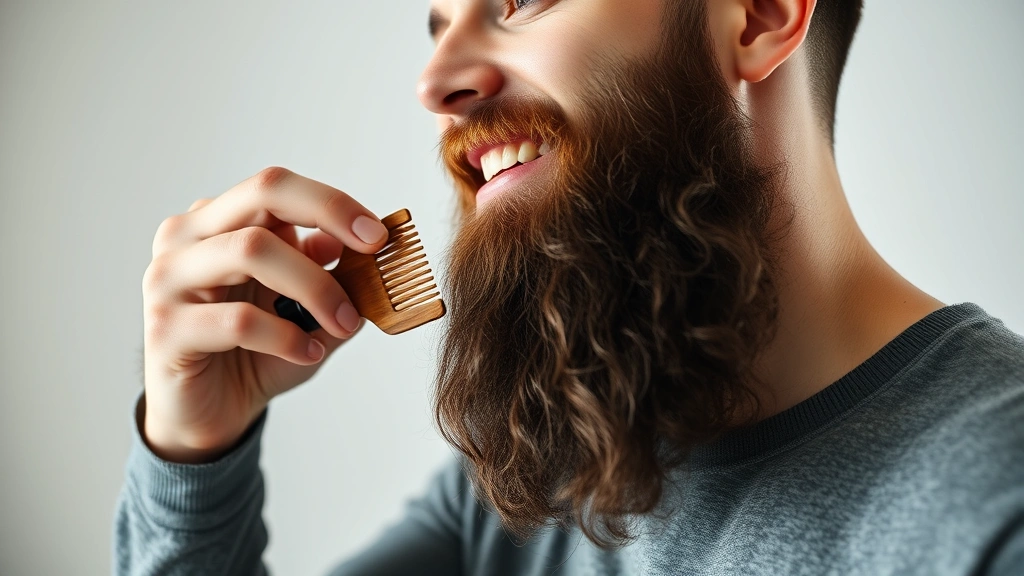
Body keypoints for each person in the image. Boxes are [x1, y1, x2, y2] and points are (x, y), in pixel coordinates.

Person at [114, 0, 1024, 574]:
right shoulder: (536, 485)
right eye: (438, 21)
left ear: (757, 16)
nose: (435, 82)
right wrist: (196, 453)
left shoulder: (993, 508)